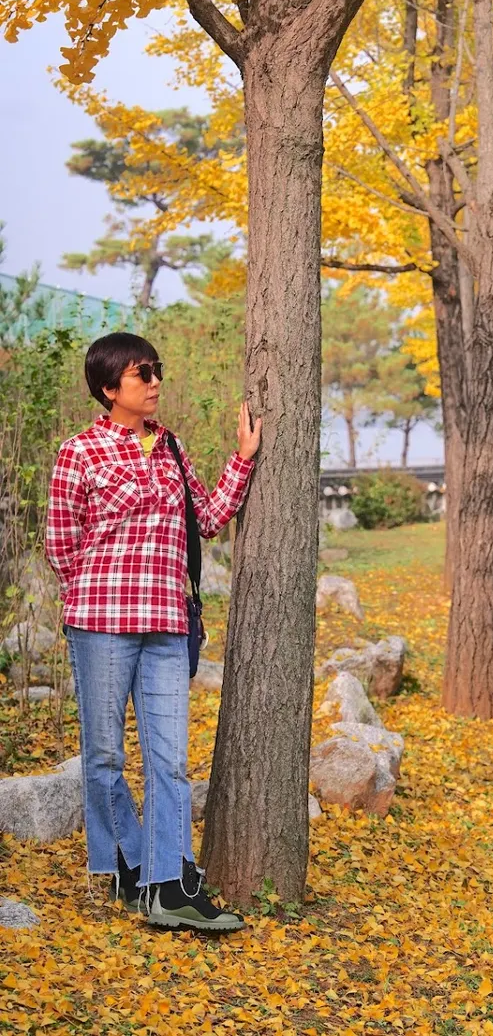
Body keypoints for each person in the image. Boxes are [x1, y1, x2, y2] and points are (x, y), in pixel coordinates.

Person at [45, 331, 261, 932]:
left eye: (157, 371)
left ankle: (170, 887)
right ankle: (127, 867)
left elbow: (209, 519)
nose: (156, 382)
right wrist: (93, 596)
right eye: (144, 375)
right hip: (102, 626)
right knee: (106, 755)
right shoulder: (79, 452)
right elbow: (60, 545)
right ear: (111, 388)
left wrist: (243, 459)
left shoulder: (170, 448)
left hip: (166, 625)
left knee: (170, 763)